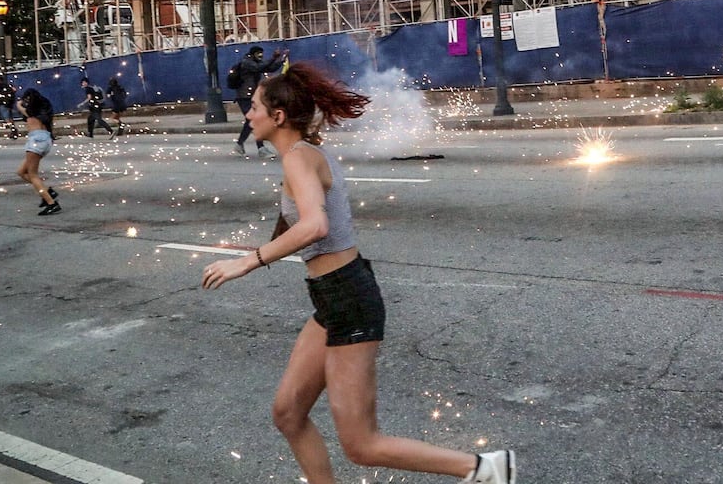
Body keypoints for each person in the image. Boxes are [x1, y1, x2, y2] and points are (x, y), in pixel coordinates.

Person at [201, 62, 516, 484]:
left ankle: (485, 469)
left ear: (278, 116)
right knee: (288, 413)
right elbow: (302, 224)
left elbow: (315, 225)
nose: (247, 114)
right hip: (333, 298)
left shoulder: (299, 157)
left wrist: (248, 260)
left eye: (253, 106)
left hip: (347, 298)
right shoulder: (303, 153)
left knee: (361, 445)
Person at [229, 45, 287, 157]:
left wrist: (282, 60)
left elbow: (269, 68)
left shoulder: (254, 62)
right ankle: (260, 148)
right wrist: (274, 58)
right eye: (258, 53)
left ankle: (240, 145)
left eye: (261, 53)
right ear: (253, 54)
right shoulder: (247, 62)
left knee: (250, 121)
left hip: (251, 96)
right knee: (253, 120)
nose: (260, 55)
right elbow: (259, 67)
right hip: (244, 96)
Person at [16, 87, 60, 216]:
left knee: (32, 174)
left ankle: (51, 203)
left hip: (37, 140)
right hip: (44, 139)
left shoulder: (32, 111)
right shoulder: (43, 111)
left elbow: (25, 111)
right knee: (21, 172)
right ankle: (47, 191)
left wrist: (19, 104)